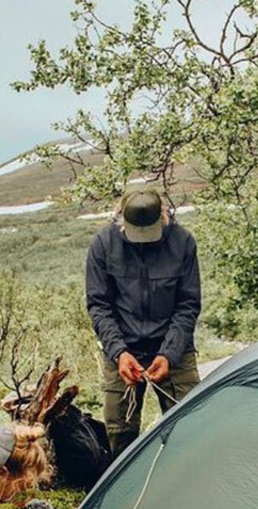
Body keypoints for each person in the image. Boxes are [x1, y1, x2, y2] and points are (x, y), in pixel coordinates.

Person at [85, 189, 202, 456]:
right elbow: (99, 306)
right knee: (119, 429)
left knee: (189, 424)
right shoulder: (103, 245)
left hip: (174, 347)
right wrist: (119, 352)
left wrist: (169, 354)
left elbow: (188, 304)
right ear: (121, 220)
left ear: (163, 218)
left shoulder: (182, 242)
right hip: (123, 349)